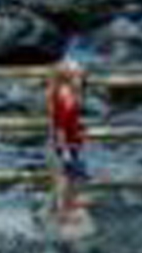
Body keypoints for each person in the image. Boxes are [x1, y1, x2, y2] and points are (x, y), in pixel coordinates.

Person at [47, 61, 94, 232]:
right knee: (68, 178)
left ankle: (67, 207)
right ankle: (64, 213)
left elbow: (68, 122)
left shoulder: (68, 94)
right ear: (67, 79)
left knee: (72, 177)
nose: (81, 81)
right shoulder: (64, 97)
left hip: (71, 143)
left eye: (81, 77)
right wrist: (64, 149)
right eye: (77, 77)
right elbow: (59, 126)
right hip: (66, 145)